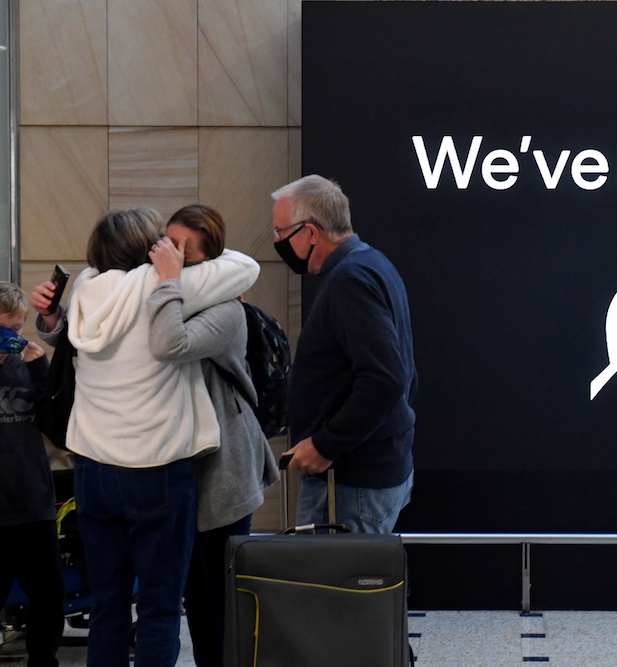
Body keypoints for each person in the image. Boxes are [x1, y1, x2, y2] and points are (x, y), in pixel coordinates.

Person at [31, 208, 259, 667]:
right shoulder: (162, 287)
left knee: (108, 608)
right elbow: (245, 266)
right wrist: (173, 266)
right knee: (158, 610)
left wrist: (52, 315)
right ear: (147, 251)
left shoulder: (87, 291)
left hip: (92, 473)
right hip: (158, 472)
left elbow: (77, 341)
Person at [145, 204, 278, 667]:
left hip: (222, 470)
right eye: (165, 242)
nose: (167, 255)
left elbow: (170, 343)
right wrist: (53, 322)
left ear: (208, 263)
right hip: (181, 465)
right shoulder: (164, 294)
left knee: (215, 598)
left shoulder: (225, 311)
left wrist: (167, 282)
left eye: (181, 250)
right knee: (195, 596)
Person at [272, 175, 417, 533]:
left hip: (351, 484)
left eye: (280, 232)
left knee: (333, 588)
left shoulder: (351, 279)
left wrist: (324, 445)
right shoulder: (368, 263)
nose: (276, 242)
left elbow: (385, 379)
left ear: (310, 232)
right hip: (359, 476)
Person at [0, 282, 63, 667]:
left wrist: (40, 367)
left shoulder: (27, 363)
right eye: (4, 331)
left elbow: (57, 428)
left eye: (17, 330)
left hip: (33, 502)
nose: (12, 340)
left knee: (50, 595)